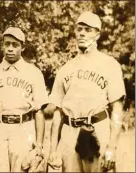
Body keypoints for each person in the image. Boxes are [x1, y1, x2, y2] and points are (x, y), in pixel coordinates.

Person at [47, 11, 126, 172]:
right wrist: (53, 150)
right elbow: (57, 113)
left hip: (98, 130)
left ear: (97, 34)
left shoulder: (109, 65)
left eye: (88, 29)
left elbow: (117, 108)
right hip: (70, 133)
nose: (82, 33)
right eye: (79, 29)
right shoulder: (65, 69)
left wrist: (112, 146)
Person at [0, 27, 47, 172]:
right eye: (7, 44)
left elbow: (39, 112)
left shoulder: (33, 73)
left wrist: (39, 145)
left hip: (24, 129)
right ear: (2, 45)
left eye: (15, 45)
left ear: (23, 47)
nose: (10, 49)